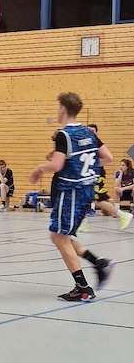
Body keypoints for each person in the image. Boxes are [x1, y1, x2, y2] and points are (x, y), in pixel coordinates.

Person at [29, 92, 114, 302]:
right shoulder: (89, 133)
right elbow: (108, 157)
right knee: (58, 236)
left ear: (63, 109)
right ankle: (99, 263)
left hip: (71, 192)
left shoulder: (64, 135)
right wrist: (87, 167)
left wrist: (39, 169)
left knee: (60, 237)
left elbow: (56, 165)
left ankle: (83, 287)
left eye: (58, 107)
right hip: (86, 191)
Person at [79, 124, 132, 231]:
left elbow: (108, 158)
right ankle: (83, 223)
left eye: (92, 131)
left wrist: (91, 164)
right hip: (86, 173)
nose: (90, 132)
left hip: (96, 174)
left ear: (96, 132)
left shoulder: (97, 144)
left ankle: (123, 215)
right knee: (81, 197)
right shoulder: (85, 143)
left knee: (98, 199)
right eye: (88, 130)